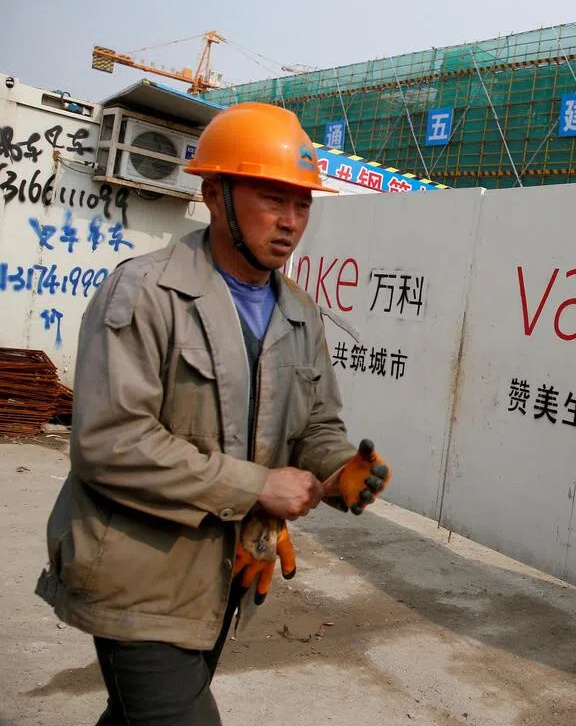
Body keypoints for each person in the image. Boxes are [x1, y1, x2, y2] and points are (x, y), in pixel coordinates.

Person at [34, 101, 390, 725]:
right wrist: (258, 487)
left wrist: (339, 470)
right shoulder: (146, 292)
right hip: (136, 575)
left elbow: (316, 427)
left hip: (226, 574)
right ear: (214, 194)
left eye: (302, 203)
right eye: (272, 198)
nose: (290, 221)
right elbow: (110, 443)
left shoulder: (300, 314)